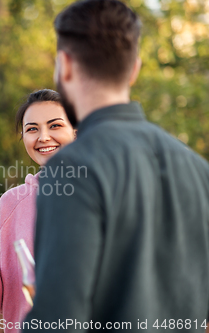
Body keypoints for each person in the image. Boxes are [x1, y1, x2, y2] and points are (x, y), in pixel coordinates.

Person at [24, 1, 209, 332]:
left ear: (65, 65)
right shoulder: (197, 168)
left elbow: (57, 320)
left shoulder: (70, 168)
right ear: (134, 68)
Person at [0, 89, 76, 332]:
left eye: (55, 126)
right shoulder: (11, 202)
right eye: (32, 129)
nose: (43, 137)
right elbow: (0, 288)